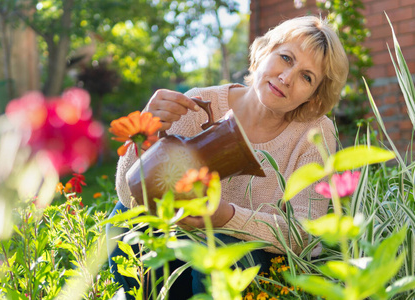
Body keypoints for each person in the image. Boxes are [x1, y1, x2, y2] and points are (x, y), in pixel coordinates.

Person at [107, 15, 349, 298]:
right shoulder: (197, 105)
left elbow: (306, 235)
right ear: (263, 52)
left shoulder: (314, 133)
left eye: (307, 77)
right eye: (285, 58)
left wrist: (226, 217)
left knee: (222, 251)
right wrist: (145, 130)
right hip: (176, 246)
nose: (286, 78)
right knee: (123, 220)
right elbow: (127, 196)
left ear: (314, 96)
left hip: (247, 265)